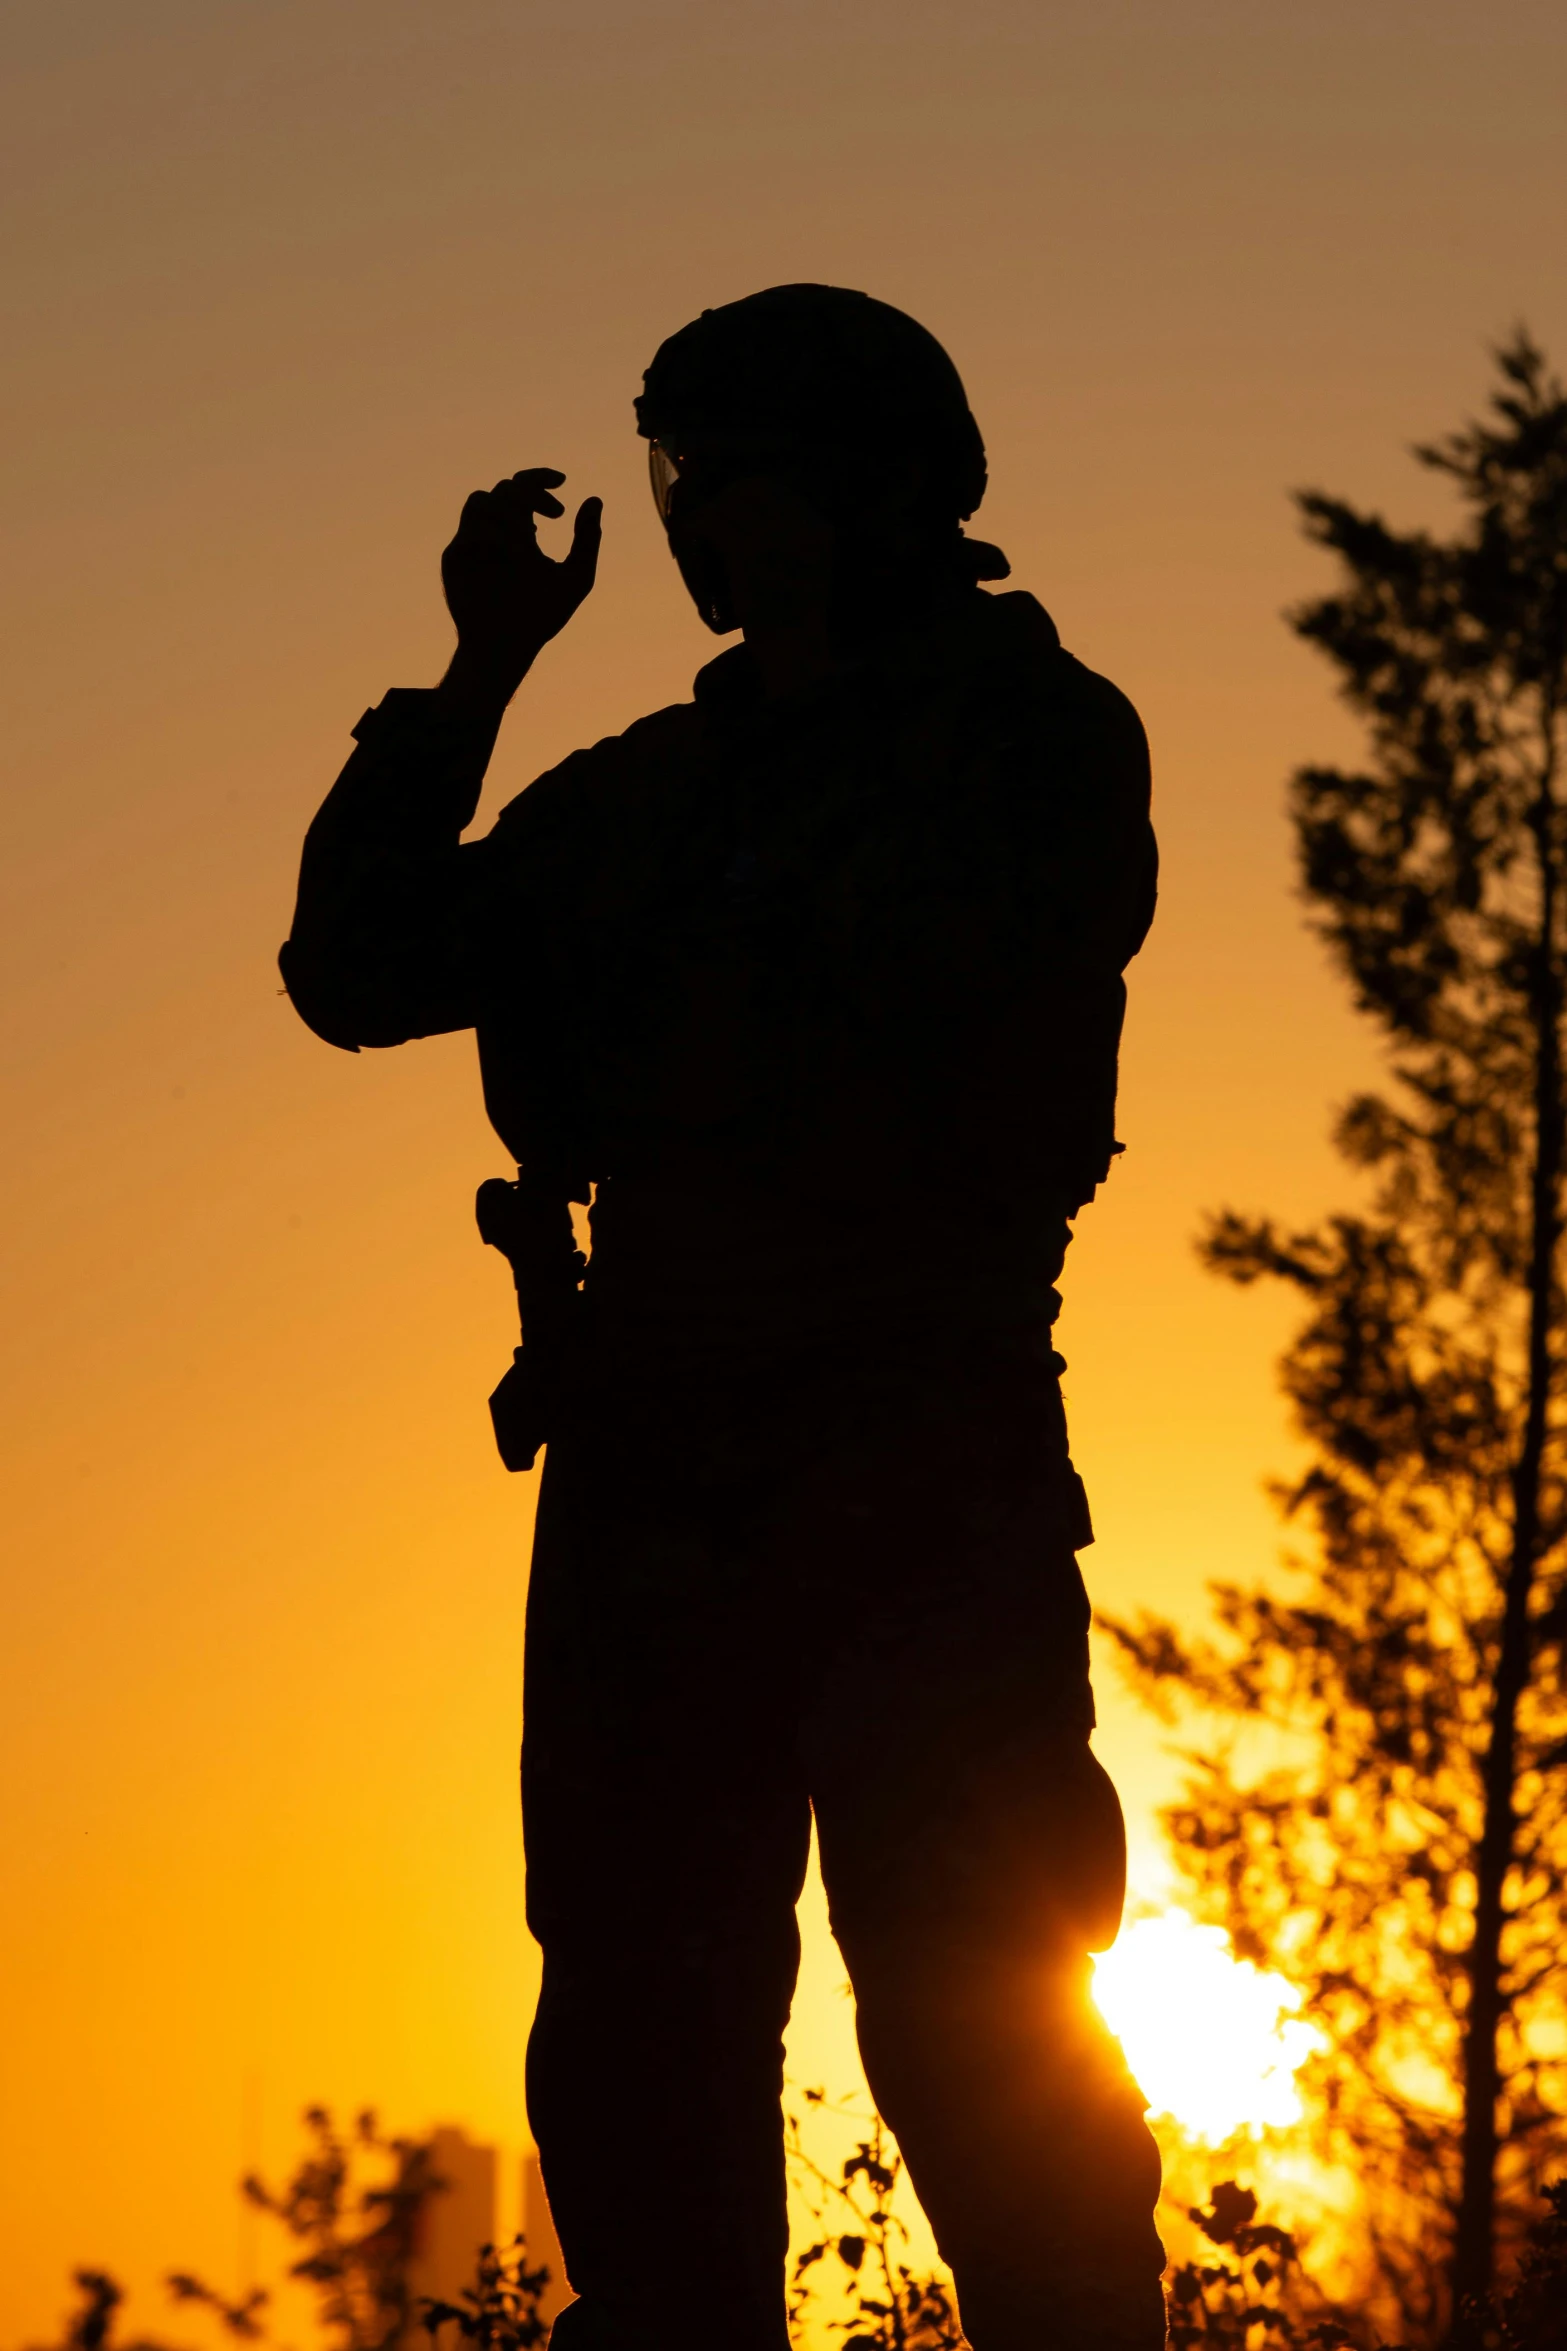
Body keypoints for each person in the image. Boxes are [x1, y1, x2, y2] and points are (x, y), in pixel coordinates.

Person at [281, 284, 1164, 2351]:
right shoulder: (643, 791)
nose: (699, 523)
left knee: (981, 2019)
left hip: (912, 1459)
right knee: (643, 2028)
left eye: (733, 478)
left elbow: (934, 1010)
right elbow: (358, 959)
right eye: (689, 480)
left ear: (859, 491)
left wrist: (660, 1010)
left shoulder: (1025, 733)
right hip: (657, 1477)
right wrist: (479, 668)